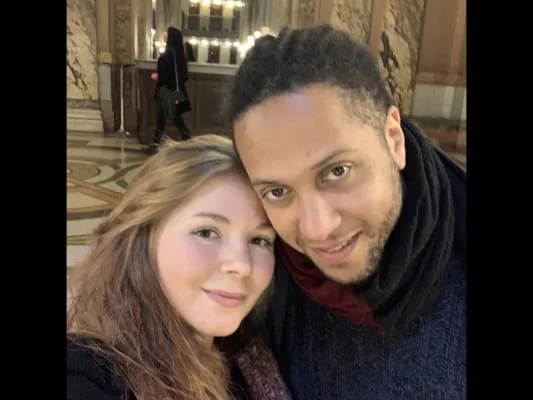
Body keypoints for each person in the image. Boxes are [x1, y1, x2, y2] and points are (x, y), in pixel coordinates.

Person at [229, 25, 466, 399]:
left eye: (337, 171)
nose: (318, 229)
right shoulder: (254, 284)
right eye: (277, 192)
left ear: (393, 139)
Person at [67, 135, 292, 400]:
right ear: (142, 241)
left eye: (259, 240)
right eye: (206, 232)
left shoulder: (252, 355)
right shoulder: (86, 372)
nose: (242, 265)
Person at [144, 27, 192, 155]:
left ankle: (156, 144)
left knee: (162, 118)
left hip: (164, 91)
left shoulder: (167, 55)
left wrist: (154, 76)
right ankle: (187, 140)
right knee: (175, 118)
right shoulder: (181, 56)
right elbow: (184, 77)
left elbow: (162, 74)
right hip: (175, 91)